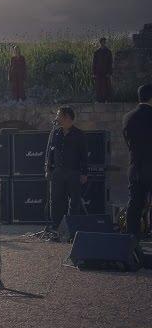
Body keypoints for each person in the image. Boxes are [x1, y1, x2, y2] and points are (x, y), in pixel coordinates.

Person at [45, 106, 88, 236]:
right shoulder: (55, 133)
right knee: (56, 200)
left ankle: (72, 228)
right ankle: (56, 227)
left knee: (74, 201)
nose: (56, 118)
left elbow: (84, 155)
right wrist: (47, 168)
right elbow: (49, 152)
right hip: (57, 172)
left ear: (67, 117)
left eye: (59, 115)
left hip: (73, 172)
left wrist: (84, 173)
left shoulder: (79, 134)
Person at [122, 84, 152, 238]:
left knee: (134, 204)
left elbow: (128, 142)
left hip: (135, 166)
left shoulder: (128, 117)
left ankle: (131, 239)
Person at [92, 37, 113, 103]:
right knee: (99, 87)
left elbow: (110, 62)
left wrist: (109, 72)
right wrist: (94, 73)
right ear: (100, 43)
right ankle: (99, 100)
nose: (103, 43)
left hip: (106, 72)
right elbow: (94, 63)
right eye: (102, 42)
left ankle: (107, 99)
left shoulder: (108, 52)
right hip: (99, 72)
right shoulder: (97, 52)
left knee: (107, 86)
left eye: (104, 42)